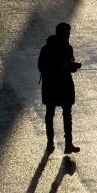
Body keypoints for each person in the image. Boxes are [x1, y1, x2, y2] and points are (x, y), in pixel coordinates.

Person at [38, 22, 82, 154]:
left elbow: (69, 64)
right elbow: (42, 67)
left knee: (66, 114)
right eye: (67, 33)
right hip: (52, 85)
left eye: (69, 33)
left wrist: (73, 66)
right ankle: (50, 142)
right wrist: (60, 66)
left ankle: (68, 143)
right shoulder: (47, 49)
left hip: (64, 85)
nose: (68, 35)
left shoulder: (68, 47)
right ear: (60, 34)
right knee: (50, 113)